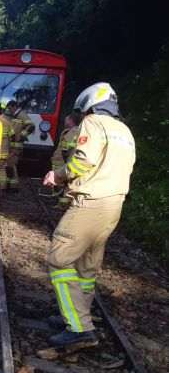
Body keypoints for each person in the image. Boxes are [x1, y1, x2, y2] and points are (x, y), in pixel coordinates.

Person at [43, 82, 135, 346]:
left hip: (91, 201)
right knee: (86, 266)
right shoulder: (124, 131)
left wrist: (58, 175)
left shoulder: (93, 123)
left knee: (59, 258)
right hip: (114, 204)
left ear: (91, 105)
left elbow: (83, 159)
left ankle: (79, 328)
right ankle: (73, 312)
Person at [49, 113, 82, 209]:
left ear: (71, 121)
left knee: (61, 184)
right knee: (59, 183)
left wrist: (65, 161)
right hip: (59, 161)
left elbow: (68, 149)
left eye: (66, 120)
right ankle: (59, 202)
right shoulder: (69, 131)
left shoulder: (73, 132)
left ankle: (62, 204)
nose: (64, 121)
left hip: (62, 163)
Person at [5, 100, 35, 191]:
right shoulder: (14, 115)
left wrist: (22, 135)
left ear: (15, 107)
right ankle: (10, 184)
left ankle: (13, 186)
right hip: (12, 145)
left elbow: (31, 125)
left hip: (16, 145)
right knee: (9, 165)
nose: (9, 111)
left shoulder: (22, 115)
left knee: (11, 165)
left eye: (10, 109)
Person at [0, 106, 13, 198]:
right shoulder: (8, 122)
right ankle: (2, 189)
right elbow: (12, 136)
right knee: (1, 170)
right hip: (4, 151)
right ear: (2, 112)